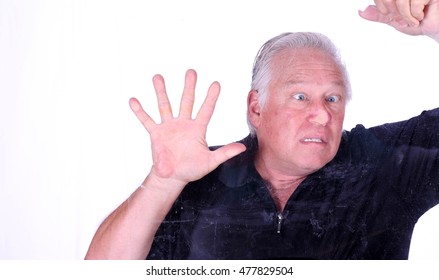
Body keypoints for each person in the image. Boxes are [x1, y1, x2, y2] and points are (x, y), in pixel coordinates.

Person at [85, 0, 439, 259]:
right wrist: (163, 182)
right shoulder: (198, 179)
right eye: (300, 97)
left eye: (333, 98)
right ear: (256, 108)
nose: (321, 115)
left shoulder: (383, 165)